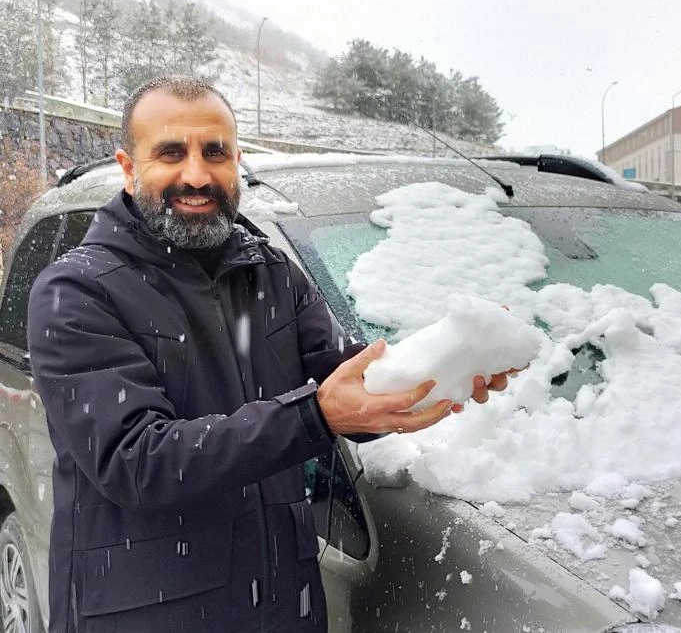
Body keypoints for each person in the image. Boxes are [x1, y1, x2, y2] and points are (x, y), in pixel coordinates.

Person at [26, 75, 510, 632]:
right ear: (129, 167)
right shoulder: (78, 292)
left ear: (237, 160)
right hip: (150, 617)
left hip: (283, 607)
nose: (197, 174)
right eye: (170, 153)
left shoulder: (269, 272)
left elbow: (341, 383)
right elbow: (138, 463)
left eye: (215, 152)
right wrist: (315, 415)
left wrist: (443, 367)